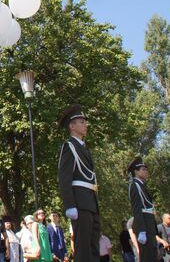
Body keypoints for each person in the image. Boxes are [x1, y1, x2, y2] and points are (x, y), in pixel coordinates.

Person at [57, 104, 101, 262]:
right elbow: (64, 177)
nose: (85, 125)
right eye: (81, 122)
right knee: (83, 248)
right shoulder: (69, 147)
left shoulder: (85, 149)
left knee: (94, 247)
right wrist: (70, 205)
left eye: (85, 122)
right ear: (72, 126)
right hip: (80, 203)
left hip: (91, 202)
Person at [126, 156, 157, 262]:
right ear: (136, 171)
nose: (146, 172)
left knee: (152, 256)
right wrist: (141, 230)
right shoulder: (134, 185)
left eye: (146, 169)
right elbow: (136, 208)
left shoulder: (142, 185)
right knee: (147, 257)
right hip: (144, 225)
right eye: (143, 169)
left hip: (149, 225)